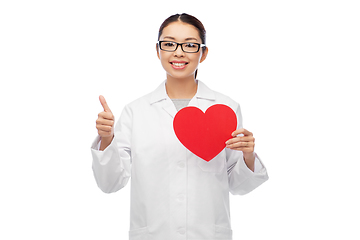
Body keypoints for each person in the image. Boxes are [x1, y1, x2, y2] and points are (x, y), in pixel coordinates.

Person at [91, 13, 269, 240]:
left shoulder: (226, 108)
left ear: (203, 53)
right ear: (157, 50)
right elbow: (110, 183)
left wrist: (248, 155)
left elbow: (238, 185)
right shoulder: (136, 111)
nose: (178, 52)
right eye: (169, 43)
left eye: (190, 45)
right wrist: (107, 139)